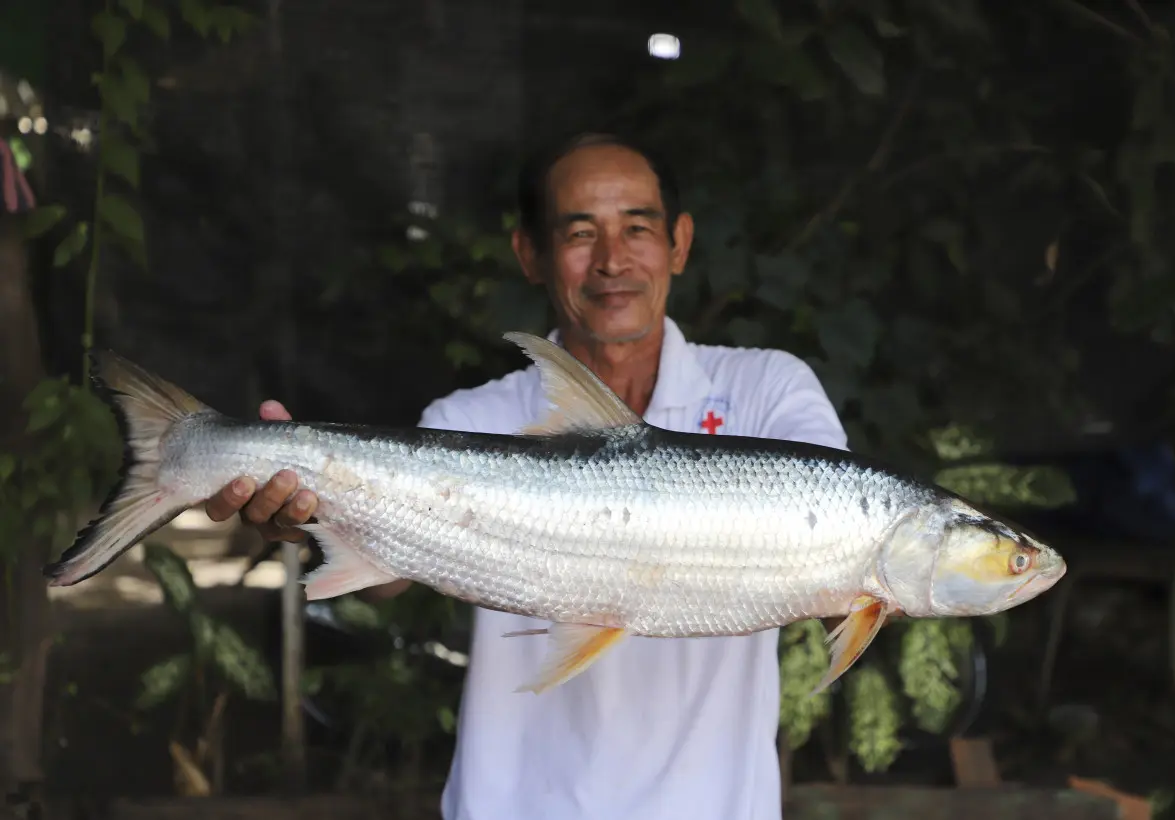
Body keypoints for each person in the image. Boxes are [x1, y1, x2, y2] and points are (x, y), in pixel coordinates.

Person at [204, 132, 848, 820]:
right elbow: (391, 570)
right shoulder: (471, 416)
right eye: (580, 233)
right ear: (530, 255)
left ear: (680, 244)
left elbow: (838, 562)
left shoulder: (770, 392)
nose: (611, 261)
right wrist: (309, 511)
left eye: (638, 228)